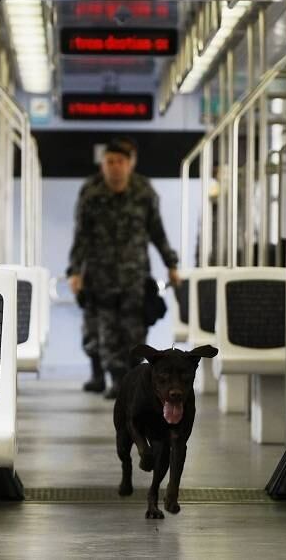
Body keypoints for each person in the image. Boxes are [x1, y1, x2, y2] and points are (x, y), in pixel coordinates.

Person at [66, 137, 181, 399]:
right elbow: (81, 235)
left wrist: (171, 264)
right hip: (99, 277)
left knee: (135, 332)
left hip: (134, 278)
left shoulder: (144, 192)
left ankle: (132, 379)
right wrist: (74, 271)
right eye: (109, 162)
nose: (115, 167)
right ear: (103, 165)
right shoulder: (92, 193)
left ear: (130, 164)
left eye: (120, 161)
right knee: (105, 331)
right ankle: (117, 381)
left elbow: (157, 232)